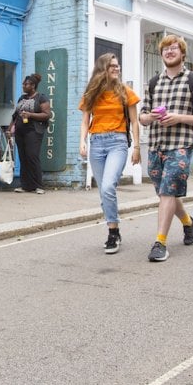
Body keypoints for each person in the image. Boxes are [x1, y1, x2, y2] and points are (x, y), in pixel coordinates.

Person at [139, 35, 193, 263]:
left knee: (167, 192)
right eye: (165, 49)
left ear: (182, 54)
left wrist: (178, 118)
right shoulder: (153, 82)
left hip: (181, 145)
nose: (169, 52)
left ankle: (160, 242)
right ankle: (188, 222)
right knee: (165, 192)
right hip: (156, 145)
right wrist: (150, 117)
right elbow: (142, 117)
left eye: (174, 48)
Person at [79, 53, 140, 254]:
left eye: (118, 65)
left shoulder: (125, 92)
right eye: (112, 65)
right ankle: (113, 229)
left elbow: (135, 122)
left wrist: (137, 147)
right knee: (103, 191)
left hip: (118, 142)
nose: (117, 68)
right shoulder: (92, 93)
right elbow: (85, 120)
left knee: (107, 187)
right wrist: (82, 142)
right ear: (103, 68)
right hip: (96, 143)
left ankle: (113, 232)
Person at [7, 73, 51, 194]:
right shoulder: (22, 98)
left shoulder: (41, 97)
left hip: (34, 131)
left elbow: (47, 115)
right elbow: (15, 115)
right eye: (23, 84)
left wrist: (30, 115)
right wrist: (9, 129)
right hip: (20, 132)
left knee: (32, 156)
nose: (23, 86)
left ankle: (38, 185)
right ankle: (25, 185)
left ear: (33, 85)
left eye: (25, 84)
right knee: (23, 157)